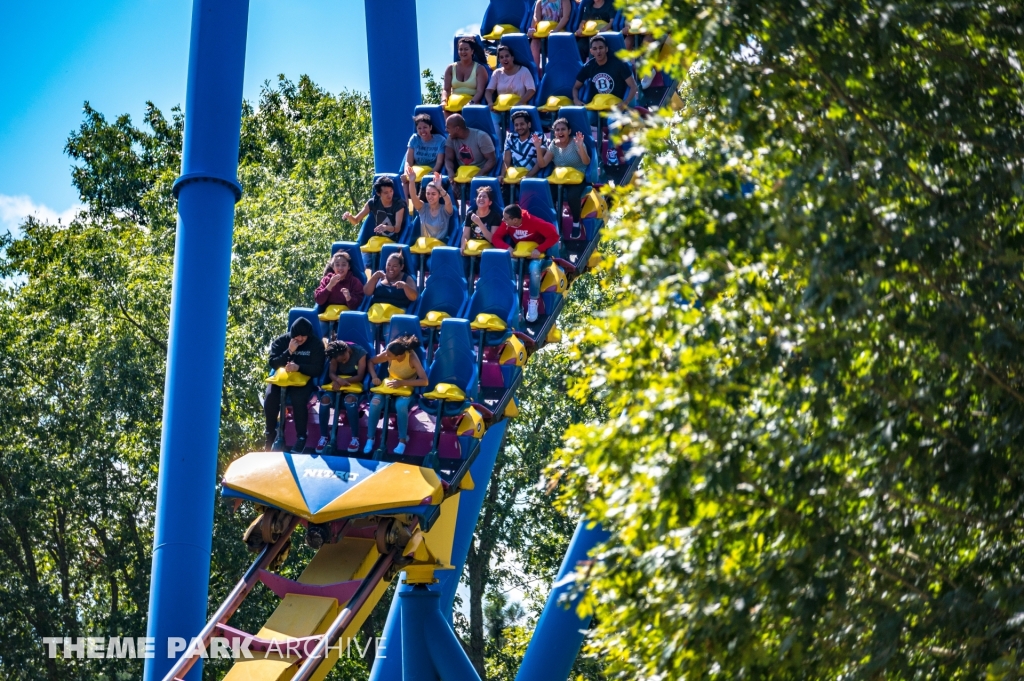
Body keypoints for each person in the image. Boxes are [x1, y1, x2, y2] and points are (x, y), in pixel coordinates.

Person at [264, 317, 325, 453]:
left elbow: (318, 369)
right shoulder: (282, 341)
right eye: (297, 335)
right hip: (282, 380)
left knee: (298, 400)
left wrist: (298, 367)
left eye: (303, 336)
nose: (300, 338)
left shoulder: (316, 344)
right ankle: (270, 434)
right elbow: (273, 362)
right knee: (270, 397)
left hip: (302, 381)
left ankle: (301, 437)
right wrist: (289, 351)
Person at [491, 204, 560, 323]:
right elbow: (496, 238)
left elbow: (554, 236)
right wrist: (507, 247)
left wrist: (540, 249)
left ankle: (533, 302)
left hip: (534, 256)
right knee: (509, 266)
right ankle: (514, 302)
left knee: (534, 268)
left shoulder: (534, 222)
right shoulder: (507, 224)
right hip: (518, 255)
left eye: (506, 218)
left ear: (515, 220)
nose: (503, 220)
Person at [364, 335, 429, 456]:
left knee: (401, 405)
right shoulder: (389, 352)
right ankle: (370, 438)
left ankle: (402, 440)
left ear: (399, 356)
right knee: (375, 403)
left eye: (389, 356)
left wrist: (402, 382)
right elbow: (371, 361)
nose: (386, 356)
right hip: (389, 385)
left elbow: (424, 381)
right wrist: (374, 376)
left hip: (406, 387)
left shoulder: (412, 358)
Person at [537, 117, 591, 230]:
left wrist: (581, 146)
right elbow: (542, 164)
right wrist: (538, 148)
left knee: (572, 196)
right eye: (557, 130)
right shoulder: (553, 145)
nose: (560, 132)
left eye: (563, 129)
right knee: (548, 194)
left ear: (569, 131)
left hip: (577, 177)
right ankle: (555, 221)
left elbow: (586, 162)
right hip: (559, 178)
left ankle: (576, 222)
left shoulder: (576, 142)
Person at [316, 340, 368, 454]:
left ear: (347, 350)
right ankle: (324, 436)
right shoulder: (335, 356)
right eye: (340, 361)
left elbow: (360, 376)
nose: (343, 362)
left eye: (344, 359)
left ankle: (355, 438)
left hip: (353, 384)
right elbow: (331, 373)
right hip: (337, 384)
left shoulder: (361, 353)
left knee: (349, 400)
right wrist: (337, 380)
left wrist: (343, 381)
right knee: (324, 400)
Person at [572, 35, 639, 108]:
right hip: (597, 105)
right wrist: (576, 100)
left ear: (606, 49)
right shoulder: (588, 66)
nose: (598, 51)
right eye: (595, 49)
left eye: (601, 48)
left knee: (611, 120)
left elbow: (633, 86)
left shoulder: (619, 64)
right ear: (591, 51)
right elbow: (575, 87)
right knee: (588, 117)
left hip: (615, 105)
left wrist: (625, 102)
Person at [485, 45, 536, 135]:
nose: (505, 59)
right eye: (501, 57)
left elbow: (531, 90)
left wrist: (520, 102)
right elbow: (489, 91)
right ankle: (499, 147)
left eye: (507, 56)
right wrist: (490, 103)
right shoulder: (497, 73)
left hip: (518, 109)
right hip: (500, 109)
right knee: (490, 119)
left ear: (512, 57)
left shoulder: (524, 71)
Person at [500, 111, 544, 203]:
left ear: (529, 124)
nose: (519, 127)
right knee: (502, 191)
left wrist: (528, 176)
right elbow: (506, 161)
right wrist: (502, 175)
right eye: (516, 125)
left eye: (522, 124)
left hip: (531, 175)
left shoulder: (538, 136)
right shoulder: (510, 137)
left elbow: (540, 161)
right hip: (514, 176)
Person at [405, 170, 454, 242]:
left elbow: (448, 202)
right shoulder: (423, 207)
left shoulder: (445, 209)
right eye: (428, 193)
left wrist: (440, 188)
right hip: (424, 248)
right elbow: (413, 197)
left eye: (433, 194)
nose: (430, 196)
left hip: (439, 246)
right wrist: (412, 181)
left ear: (439, 195)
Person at [444, 114, 498, 178]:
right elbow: (448, 159)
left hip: (480, 173)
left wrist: (478, 175)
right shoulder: (451, 137)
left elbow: (492, 160)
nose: (446, 130)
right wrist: (450, 172)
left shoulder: (481, 137)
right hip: (462, 175)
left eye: (448, 128)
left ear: (457, 129)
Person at [443, 37, 488, 112]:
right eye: (460, 49)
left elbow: (480, 91)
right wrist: (444, 101)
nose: (463, 52)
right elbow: (446, 90)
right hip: (453, 105)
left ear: (472, 51)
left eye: (466, 49)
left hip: (471, 106)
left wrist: (471, 103)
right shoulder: (450, 68)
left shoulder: (479, 69)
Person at [527, 0, 571, 69]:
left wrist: (556, 30)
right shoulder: (540, 1)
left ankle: (553, 70)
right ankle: (536, 71)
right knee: (535, 42)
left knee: (553, 40)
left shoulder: (564, 1)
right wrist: (532, 29)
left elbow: (565, 17)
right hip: (543, 31)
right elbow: (536, 17)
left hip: (558, 29)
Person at [461, 185, 502, 254]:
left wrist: (479, 223)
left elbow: (492, 240)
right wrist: (463, 245)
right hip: (472, 248)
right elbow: (465, 236)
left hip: (487, 250)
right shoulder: (470, 214)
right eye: (479, 196)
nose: (481, 198)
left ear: (490, 202)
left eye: (484, 197)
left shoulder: (495, 216)